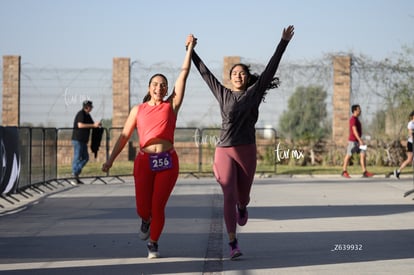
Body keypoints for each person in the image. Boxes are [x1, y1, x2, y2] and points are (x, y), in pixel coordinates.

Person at [191, 25, 294, 259]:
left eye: (242, 73)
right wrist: (191, 50)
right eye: (234, 73)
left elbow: (270, 69)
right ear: (229, 78)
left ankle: (242, 207)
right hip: (224, 150)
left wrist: (283, 43)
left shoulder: (254, 93)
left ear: (247, 78)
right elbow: (205, 73)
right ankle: (232, 243)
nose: (238, 75)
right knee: (228, 194)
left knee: (242, 196)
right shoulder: (223, 93)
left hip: (246, 150)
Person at [101, 34, 196, 259]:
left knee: (158, 206)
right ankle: (145, 220)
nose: (159, 88)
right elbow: (124, 136)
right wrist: (110, 160)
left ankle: (153, 243)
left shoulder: (172, 104)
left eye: (163, 85)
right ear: (149, 87)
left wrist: (189, 49)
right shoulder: (138, 109)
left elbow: (184, 76)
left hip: (167, 162)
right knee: (143, 208)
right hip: (144, 162)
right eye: (155, 84)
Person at [71, 100, 101, 183]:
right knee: (77, 157)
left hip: (84, 141)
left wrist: (97, 125)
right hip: (78, 139)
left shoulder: (88, 115)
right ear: (87, 107)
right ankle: (74, 174)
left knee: (85, 158)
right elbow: (80, 125)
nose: (91, 108)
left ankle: (76, 173)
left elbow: (92, 124)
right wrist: (93, 125)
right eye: (91, 107)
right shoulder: (81, 114)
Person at [341, 104, 374, 178]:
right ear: (355, 111)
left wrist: (360, 140)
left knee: (363, 154)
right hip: (353, 141)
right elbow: (354, 130)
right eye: (359, 109)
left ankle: (365, 172)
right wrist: (360, 140)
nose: (360, 111)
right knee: (349, 155)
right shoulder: (352, 119)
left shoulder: (357, 119)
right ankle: (344, 171)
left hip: (359, 141)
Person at [393, 111, 414, 179]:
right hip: (411, 143)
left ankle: (398, 171)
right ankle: (398, 171)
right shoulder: (410, 124)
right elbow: (410, 134)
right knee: (409, 159)